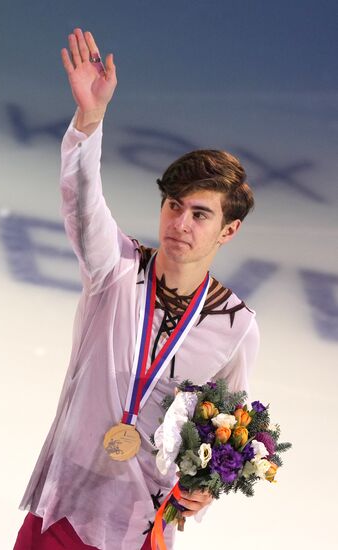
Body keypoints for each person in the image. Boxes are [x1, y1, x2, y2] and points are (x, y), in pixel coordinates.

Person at [14, 28, 259, 550]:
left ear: (228, 230)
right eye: (174, 205)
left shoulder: (235, 325)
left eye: (200, 214)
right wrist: (90, 119)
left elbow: (226, 428)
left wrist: (206, 489)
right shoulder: (116, 269)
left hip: (141, 525)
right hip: (67, 508)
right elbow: (81, 202)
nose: (181, 223)